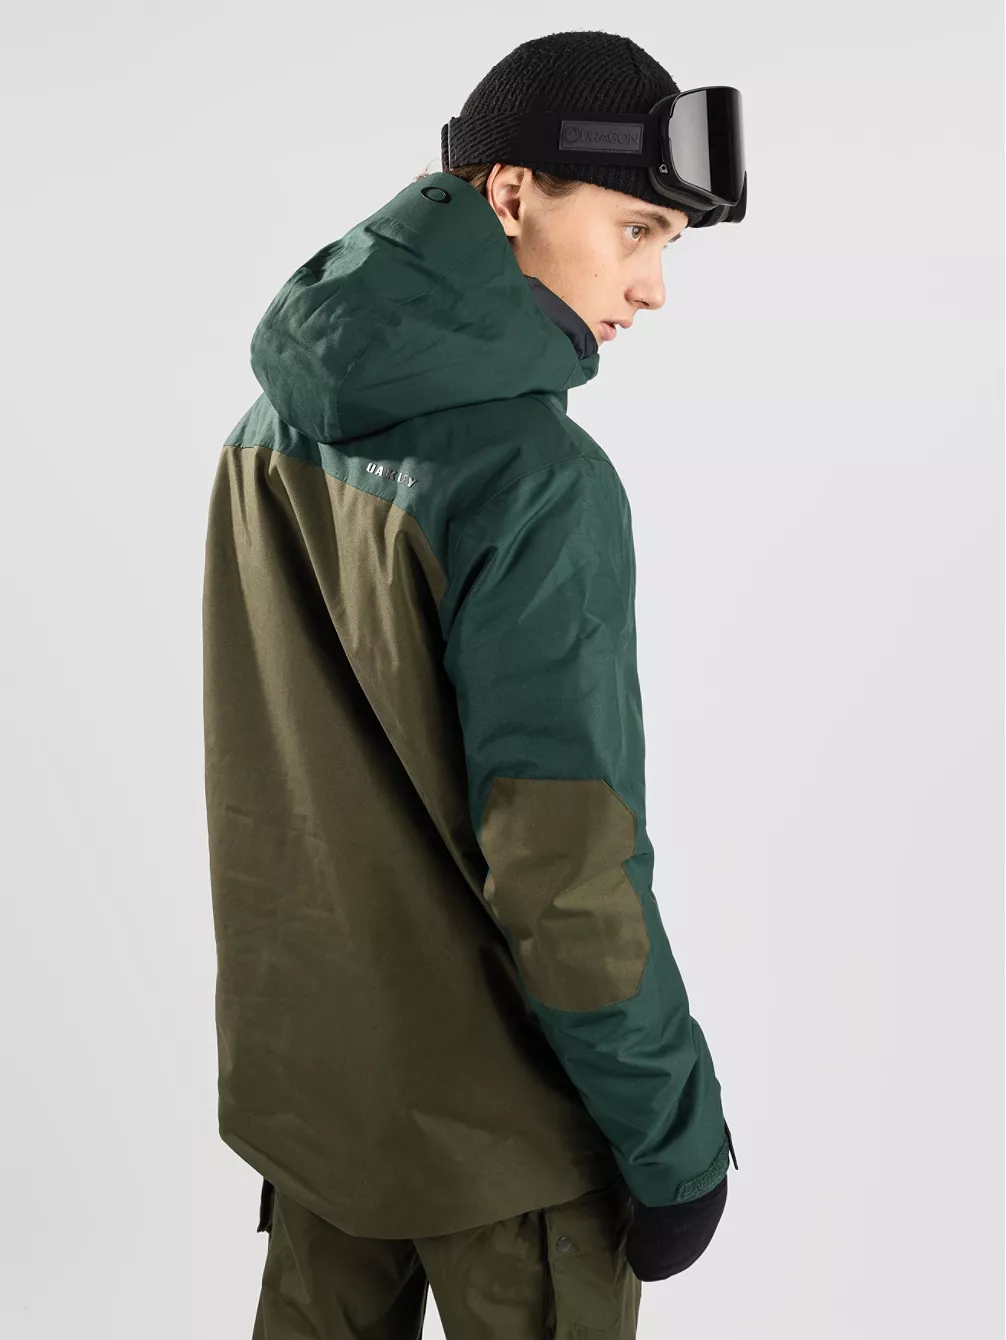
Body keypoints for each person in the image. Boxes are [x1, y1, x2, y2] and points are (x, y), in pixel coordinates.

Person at [202, 28, 743, 1339]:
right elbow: (565, 872)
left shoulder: (268, 426)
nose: (652, 287)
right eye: (635, 230)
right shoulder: (535, 481)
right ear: (510, 193)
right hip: (512, 1151)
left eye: (669, 244)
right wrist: (674, 1143)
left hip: (318, 1102)